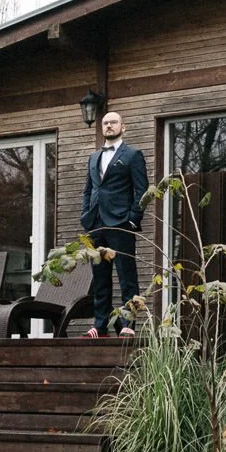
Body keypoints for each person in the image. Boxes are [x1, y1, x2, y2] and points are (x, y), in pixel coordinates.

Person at [79, 111, 148, 337]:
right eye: (105, 123)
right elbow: (89, 189)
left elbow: (142, 190)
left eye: (113, 122)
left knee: (127, 276)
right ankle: (100, 325)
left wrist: (132, 219)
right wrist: (86, 214)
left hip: (120, 223)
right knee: (100, 278)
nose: (109, 126)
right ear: (102, 128)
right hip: (96, 224)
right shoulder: (93, 157)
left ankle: (128, 325)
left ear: (123, 127)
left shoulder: (133, 155)